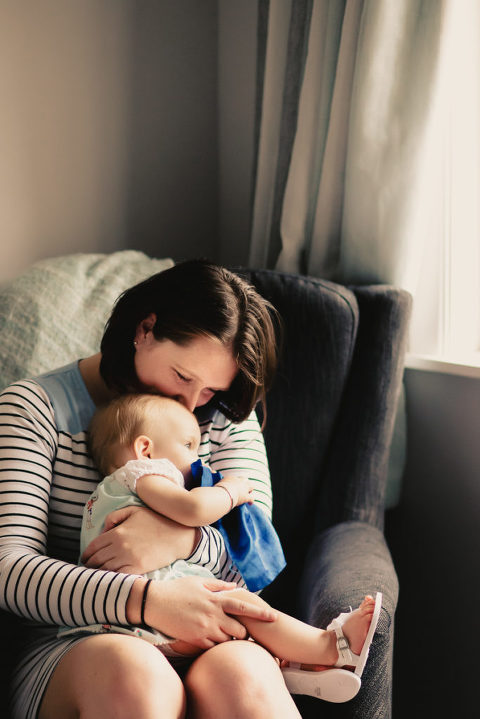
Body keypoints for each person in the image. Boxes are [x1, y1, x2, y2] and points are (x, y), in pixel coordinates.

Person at [0, 259, 306, 719]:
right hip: (78, 642)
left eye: (208, 390)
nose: (188, 404)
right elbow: (8, 570)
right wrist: (146, 602)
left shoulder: (224, 424)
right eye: (183, 376)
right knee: (135, 677)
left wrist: (180, 537)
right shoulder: (34, 411)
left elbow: (253, 565)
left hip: (209, 635)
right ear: (145, 329)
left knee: (246, 680)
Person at [60, 391, 381, 704]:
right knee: (241, 604)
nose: (197, 458)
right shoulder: (142, 473)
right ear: (145, 449)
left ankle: (296, 660)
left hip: (121, 626)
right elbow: (193, 510)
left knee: (239, 617)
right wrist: (232, 490)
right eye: (188, 446)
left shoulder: (101, 499)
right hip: (155, 615)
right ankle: (329, 647)